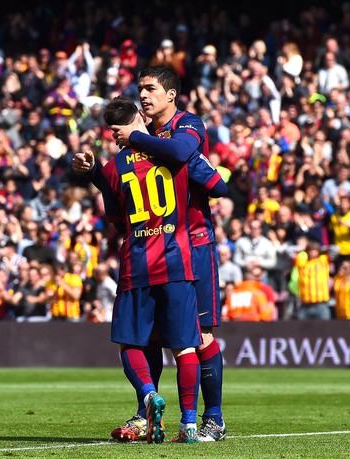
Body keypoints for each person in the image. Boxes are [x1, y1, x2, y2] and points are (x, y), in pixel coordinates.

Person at [72, 94, 221, 444]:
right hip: (177, 254)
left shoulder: (176, 132)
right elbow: (218, 185)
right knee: (181, 344)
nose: (144, 94)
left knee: (138, 341)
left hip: (150, 257)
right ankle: (182, 422)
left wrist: (102, 168)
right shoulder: (170, 154)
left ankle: (164, 402)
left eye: (149, 87)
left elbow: (118, 220)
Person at [109, 66, 228, 442]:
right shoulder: (144, 138)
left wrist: (139, 140)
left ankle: (212, 418)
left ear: (171, 94)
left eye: (151, 88)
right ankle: (147, 411)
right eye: (140, 89)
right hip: (153, 245)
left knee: (200, 334)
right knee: (152, 337)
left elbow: (191, 162)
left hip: (193, 241)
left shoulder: (187, 124)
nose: (143, 95)